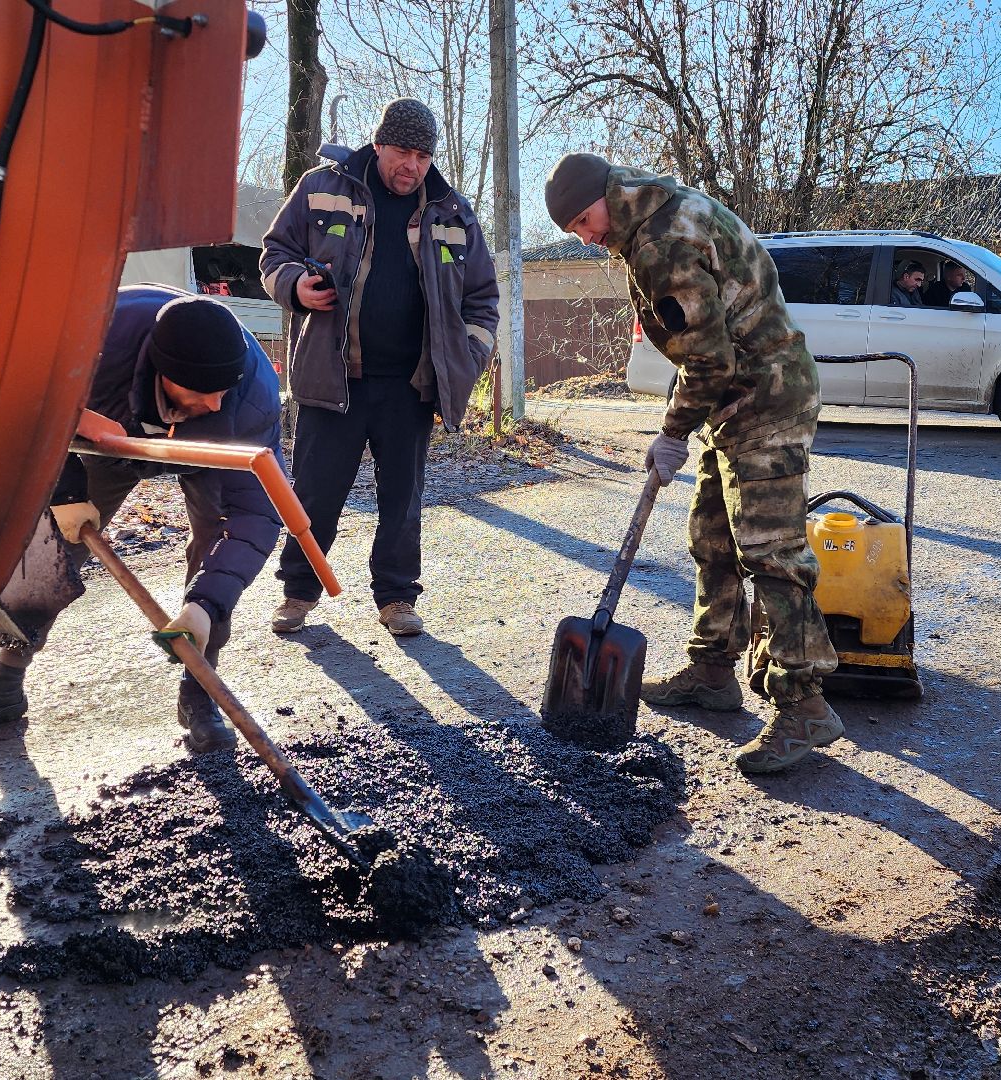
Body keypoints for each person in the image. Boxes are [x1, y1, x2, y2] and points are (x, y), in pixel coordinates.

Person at [544, 152, 841, 774]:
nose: (586, 235)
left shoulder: (661, 243)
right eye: (573, 230)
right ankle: (713, 670)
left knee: (770, 550)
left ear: (606, 193)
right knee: (712, 534)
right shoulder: (658, 212)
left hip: (766, 396)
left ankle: (805, 702)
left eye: (583, 220)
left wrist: (671, 431)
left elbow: (709, 362)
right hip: (736, 400)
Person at [0, 286, 284, 754]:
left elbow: (255, 514)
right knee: (52, 547)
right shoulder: (96, 338)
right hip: (103, 430)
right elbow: (21, 401)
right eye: (202, 391)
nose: (216, 401)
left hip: (210, 451)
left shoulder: (246, 403)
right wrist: (66, 486)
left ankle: (201, 688)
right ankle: (6, 680)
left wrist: (207, 604)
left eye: (223, 390)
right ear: (164, 374)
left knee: (215, 556)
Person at [259, 98, 500, 638]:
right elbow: (273, 254)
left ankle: (396, 598)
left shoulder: (453, 213)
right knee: (316, 494)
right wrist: (295, 286)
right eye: (401, 152)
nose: (411, 165)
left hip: (410, 387)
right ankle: (298, 592)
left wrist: (468, 359)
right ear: (378, 145)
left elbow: (483, 301)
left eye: (422, 154)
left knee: (403, 499)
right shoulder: (324, 187)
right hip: (332, 377)